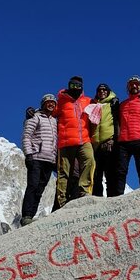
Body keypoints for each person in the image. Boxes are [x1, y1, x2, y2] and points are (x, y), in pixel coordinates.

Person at [52, 76, 95, 209]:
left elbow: (102, 107)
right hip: (65, 142)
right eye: (73, 85)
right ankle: (62, 200)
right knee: (64, 172)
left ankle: (84, 191)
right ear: (69, 86)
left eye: (78, 85)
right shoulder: (61, 101)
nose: (75, 88)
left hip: (84, 140)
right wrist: (34, 112)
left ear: (82, 87)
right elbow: (49, 112)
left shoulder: (88, 101)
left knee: (90, 161)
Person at [20, 94, 58, 226]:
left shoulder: (54, 120)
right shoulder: (34, 116)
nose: (51, 104)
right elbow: (26, 136)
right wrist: (28, 154)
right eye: (48, 102)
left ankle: (31, 216)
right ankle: (26, 216)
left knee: (40, 189)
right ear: (43, 104)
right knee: (33, 186)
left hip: (49, 160)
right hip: (36, 157)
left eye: (53, 102)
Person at [91, 83, 120, 197]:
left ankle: (112, 200)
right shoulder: (94, 105)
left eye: (104, 90)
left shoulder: (113, 103)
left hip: (109, 142)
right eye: (99, 90)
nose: (102, 92)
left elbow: (118, 122)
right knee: (96, 175)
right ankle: (97, 201)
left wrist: (115, 140)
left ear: (108, 91)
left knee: (110, 174)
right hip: (96, 145)